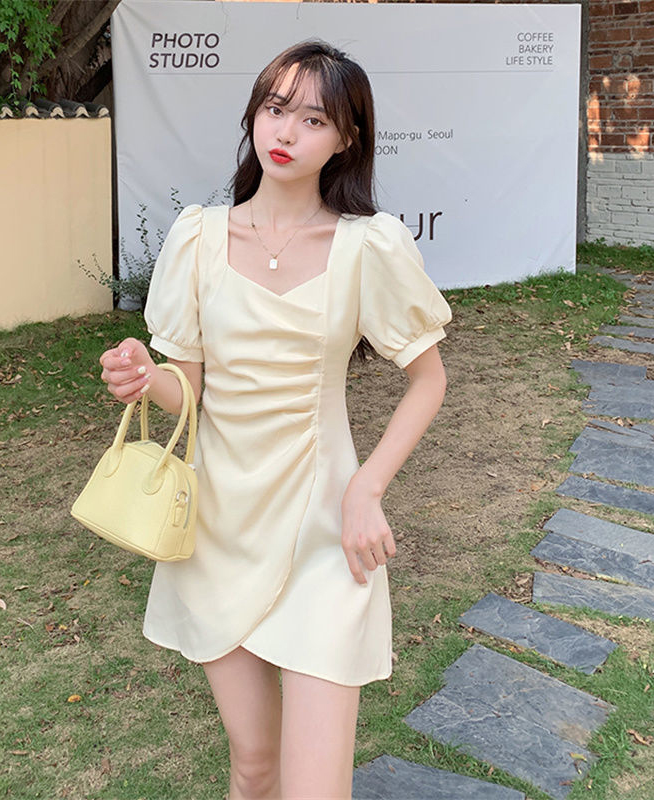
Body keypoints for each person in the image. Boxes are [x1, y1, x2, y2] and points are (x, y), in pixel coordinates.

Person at [99, 40, 451, 800]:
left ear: (347, 138)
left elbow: (428, 380)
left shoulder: (367, 246)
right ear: (254, 116)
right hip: (217, 528)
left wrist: (367, 489)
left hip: (325, 533)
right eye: (275, 108)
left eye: (314, 119)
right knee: (254, 767)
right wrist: (146, 376)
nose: (286, 131)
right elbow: (189, 390)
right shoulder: (198, 238)